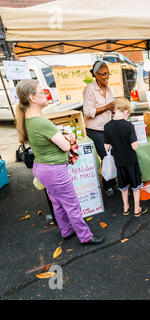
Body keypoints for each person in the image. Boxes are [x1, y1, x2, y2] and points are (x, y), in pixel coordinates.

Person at [15, 79, 104, 245]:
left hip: (42, 168)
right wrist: (68, 139)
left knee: (57, 202)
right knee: (72, 204)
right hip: (54, 170)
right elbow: (65, 147)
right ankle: (85, 236)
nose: (46, 94)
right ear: (32, 98)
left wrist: (63, 138)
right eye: (42, 92)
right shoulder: (41, 122)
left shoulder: (28, 119)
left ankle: (66, 230)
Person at [104, 97, 147, 217]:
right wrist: (135, 136)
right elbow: (135, 147)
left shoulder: (107, 126)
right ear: (126, 111)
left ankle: (126, 207)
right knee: (135, 186)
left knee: (123, 187)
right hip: (131, 162)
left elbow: (106, 147)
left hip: (119, 162)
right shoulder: (129, 126)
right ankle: (137, 208)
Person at [83, 60, 117, 196]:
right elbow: (88, 112)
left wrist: (115, 110)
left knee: (112, 156)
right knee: (105, 156)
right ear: (96, 75)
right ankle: (107, 185)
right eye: (104, 74)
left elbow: (110, 107)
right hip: (95, 130)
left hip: (108, 128)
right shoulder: (89, 89)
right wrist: (107, 107)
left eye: (108, 74)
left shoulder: (108, 88)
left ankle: (112, 181)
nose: (107, 77)